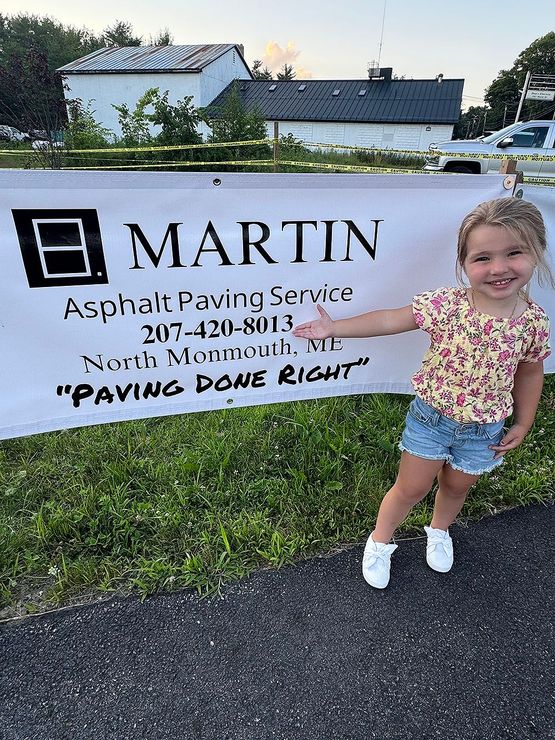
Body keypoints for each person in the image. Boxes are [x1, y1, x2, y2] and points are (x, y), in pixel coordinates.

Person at [292, 198, 552, 589]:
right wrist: (336, 328)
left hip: (486, 429)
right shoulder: (447, 305)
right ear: (464, 264)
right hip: (432, 420)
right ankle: (380, 540)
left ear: (536, 252)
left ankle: (439, 530)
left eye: (514, 253)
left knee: (457, 486)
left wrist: (524, 420)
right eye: (483, 257)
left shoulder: (533, 320)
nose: (499, 268)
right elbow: (390, 319)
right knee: (412, 487)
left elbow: (531, 370)